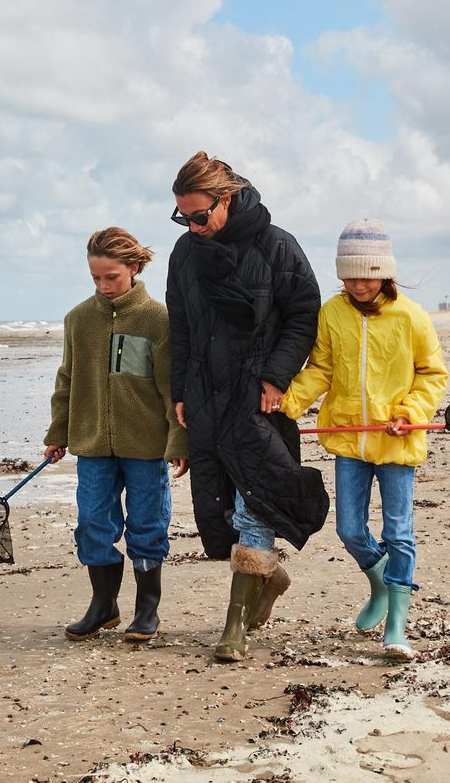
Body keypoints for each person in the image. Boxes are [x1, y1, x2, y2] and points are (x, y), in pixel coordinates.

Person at [165, 151, 326, 663]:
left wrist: (277, 376)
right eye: (181, 217)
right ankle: (270, 577)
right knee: (218, 509)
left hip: (259, 397)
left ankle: (233, 625)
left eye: (198, 215)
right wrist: (181, 392)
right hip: (205, 393)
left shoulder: (278, 246)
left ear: (226, 198)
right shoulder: (184, 254)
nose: (191, 226)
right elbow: (181, 328)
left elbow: (304, 317)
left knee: (254, 500)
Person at [281, 219, 448, 660]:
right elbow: (321, 368)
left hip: (397, 442)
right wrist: (288, 403)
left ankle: (396, 624)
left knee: (399, 531)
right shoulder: (332, 313)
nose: (357, 283)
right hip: (348, 439)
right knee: (348, 528)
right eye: (349, 274)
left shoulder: (412, 317)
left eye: (366, 273)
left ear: (385, 272)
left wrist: (409, 414)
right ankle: (379, 585)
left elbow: (433, 375)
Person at [44, 227, 188, 643]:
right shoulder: (78, 319)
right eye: (96, 278)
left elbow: (170, 389)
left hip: (146, 446)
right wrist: (58, 432)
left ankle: (147, 611)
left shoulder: (159, 320)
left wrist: (178, 440)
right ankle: (103, 605)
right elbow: (66, 380)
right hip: (92, 445)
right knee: (92, 523)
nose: (104, 286)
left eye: (112, 277)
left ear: (135, 268)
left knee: (146, 525)